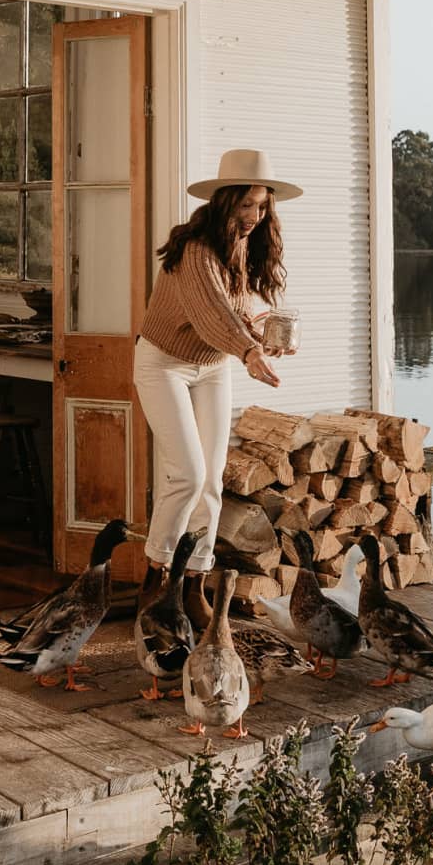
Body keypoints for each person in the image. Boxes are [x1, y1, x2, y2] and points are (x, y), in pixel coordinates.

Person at [133, 148, 301, 611]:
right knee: (187, 474)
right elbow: (212, 313)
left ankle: (195, 582)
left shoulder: (242, 247)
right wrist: (248, 350)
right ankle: (156, 572)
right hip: (163, 364)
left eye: (262, 205)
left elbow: (241, 305)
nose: (254, 215)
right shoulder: (196, 250)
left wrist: (269, 333)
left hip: (211, 367)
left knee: (211, 481)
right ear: (226, 201)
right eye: (246, 204)